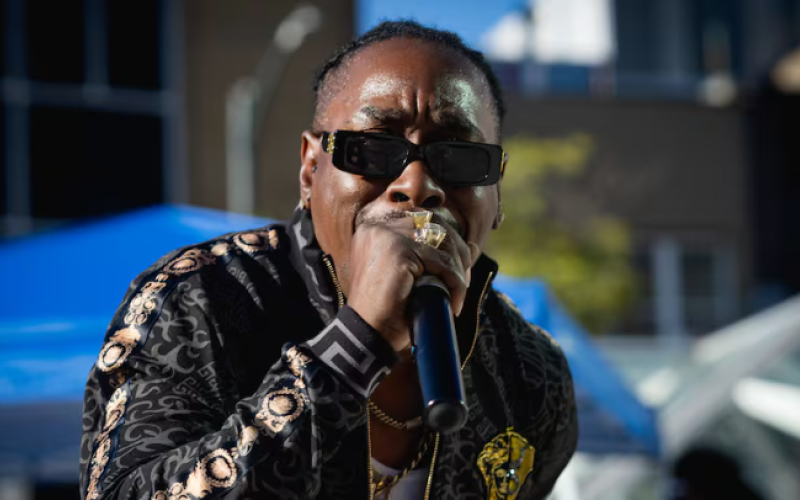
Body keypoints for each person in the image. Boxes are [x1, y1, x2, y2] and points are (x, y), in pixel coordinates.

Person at [80, 20, 578, 500]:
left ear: (497, 193)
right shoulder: (198, 300)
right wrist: (355, 347)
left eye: (460, 158)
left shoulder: (530, 371)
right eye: (371, 150)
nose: (417, 186)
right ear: (310, 169)